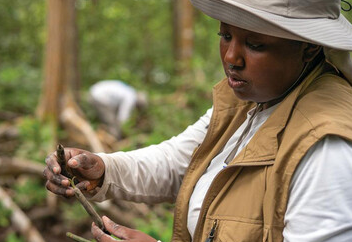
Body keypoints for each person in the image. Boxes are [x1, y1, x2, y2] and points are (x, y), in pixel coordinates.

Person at [43, 0, 352, 241]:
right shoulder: (249, 103)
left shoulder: (325, 149)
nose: (232, 57)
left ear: (309, 47)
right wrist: (103, 168)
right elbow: (178, 161)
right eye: (226, 35)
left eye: (255, 44)